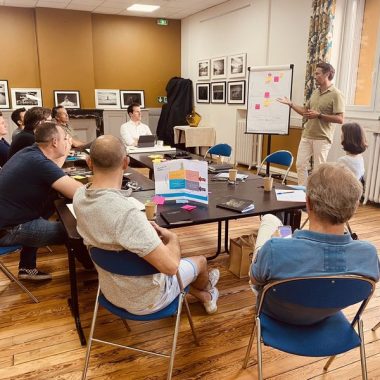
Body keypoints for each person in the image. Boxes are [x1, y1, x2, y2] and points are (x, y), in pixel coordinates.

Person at [73, 135, 220, 315]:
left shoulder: (79, 196)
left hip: (111, 290)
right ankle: (209, 291)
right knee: (201, 261)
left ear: (89, 162)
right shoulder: (126, 214)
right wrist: (173, 238)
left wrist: (142, 231)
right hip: (147, 301)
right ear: (126, 163)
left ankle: (202, 295)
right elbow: (171, 267)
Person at [250, 163, 379, 325]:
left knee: (270, 221)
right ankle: (285, 234)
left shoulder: (274, 249)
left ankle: (281, 232)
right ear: (354, 208)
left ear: (308, 203)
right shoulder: (369, 255)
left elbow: (254, 280)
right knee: (283, 235)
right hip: (327, 313)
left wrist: (273, 243)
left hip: (277, 314)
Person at [0, 122, 83, 280]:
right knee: (77, 231)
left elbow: (52, 170)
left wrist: (64, 153)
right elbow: (78, 193)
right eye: (66, 139)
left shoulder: (29, 152)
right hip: (9, 230)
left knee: (48, 207)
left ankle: (26, 267)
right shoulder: (39, 163)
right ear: (54, 142)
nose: (69, 142)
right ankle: (91, 267)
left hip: (9, 220)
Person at [277, 62, 345, 185]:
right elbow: (305, 111)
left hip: (322, 138)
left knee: (319, 171)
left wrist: (319, 115)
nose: (314, 76)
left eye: (317, 73)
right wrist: (291, 104)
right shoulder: (315, 92)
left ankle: (316, 197)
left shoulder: (336, 94)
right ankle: (304, 192)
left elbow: (340, 119)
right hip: (307, 134)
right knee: (300, 165)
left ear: (327, 74)